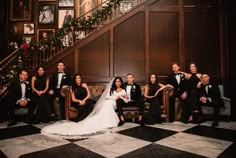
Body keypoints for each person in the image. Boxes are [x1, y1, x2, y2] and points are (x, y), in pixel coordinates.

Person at [41, 77, 127, 139]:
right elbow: (107, 97)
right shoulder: (111, 90)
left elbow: (126, 98)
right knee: (106, 103)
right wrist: (116, 97)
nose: (118, 83)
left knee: (98, 102)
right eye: (116, 81)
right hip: (108, 101)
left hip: (113, 103)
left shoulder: (123, 90)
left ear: (121, 82)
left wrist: (120, 98)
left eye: (119, 81)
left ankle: (102, 119)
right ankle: (93, 119)